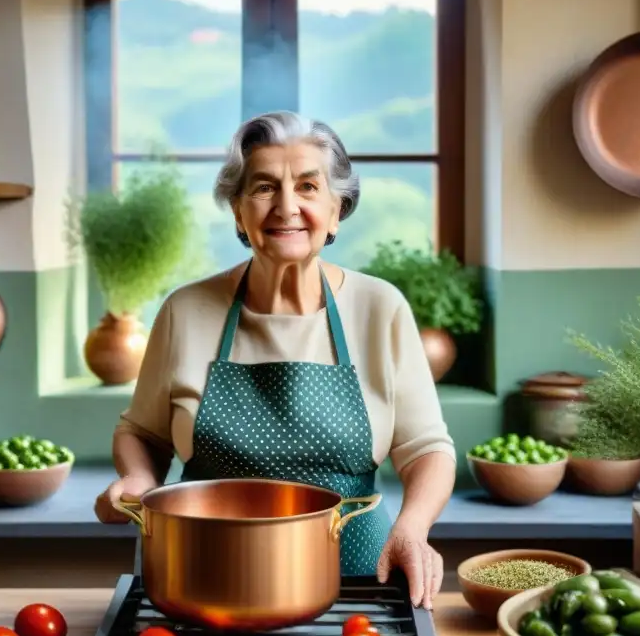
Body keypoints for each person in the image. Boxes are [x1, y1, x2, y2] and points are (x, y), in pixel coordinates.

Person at [94, 111, 456, 609]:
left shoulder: (381, 308)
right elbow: (142, 433)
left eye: (308, 187)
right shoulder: (185, 310)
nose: (286, 207)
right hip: (201, 578)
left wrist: (412, 529)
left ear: (336, 209)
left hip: (355, 581)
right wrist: (139, 480)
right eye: (264, 188)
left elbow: (426, 448)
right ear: (238, 211)